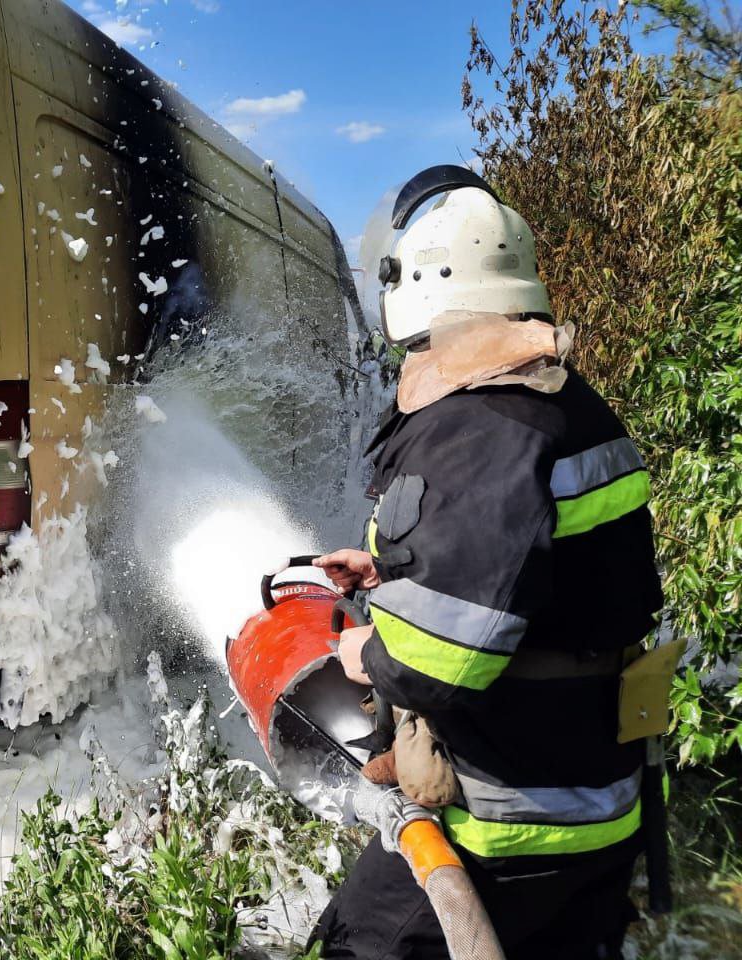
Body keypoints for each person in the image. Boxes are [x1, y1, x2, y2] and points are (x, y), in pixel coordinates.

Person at [310, 167, 663, 959]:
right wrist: (383, 571)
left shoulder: (487, 424)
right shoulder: (561, 402)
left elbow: (444, 655)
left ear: (425, 296)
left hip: (506, 823)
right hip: (594, 798)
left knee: (356, 947)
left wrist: (363, 652)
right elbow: (529, 568)